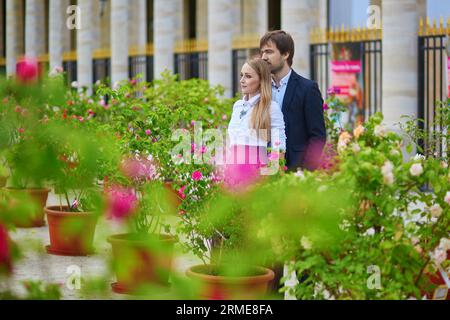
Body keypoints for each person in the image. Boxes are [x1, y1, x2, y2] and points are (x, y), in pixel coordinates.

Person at [260, 30, 326, 171]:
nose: (264, 57)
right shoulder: (260, 89)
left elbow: (317, 137)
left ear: (285, 54)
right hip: (265, 172)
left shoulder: (308, 89)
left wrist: (305, 172)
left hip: (296, 173)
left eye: (269, 52)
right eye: (262, 52)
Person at [223, 58, 286, 192]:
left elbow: (279, 148)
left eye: (248, 76)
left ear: (261, 80)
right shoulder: (237, 106)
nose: (242, 80)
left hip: (256, 176)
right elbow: (230, 143)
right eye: (241, 75)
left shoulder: (271, 108)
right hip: (231, 174)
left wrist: (265, 181)